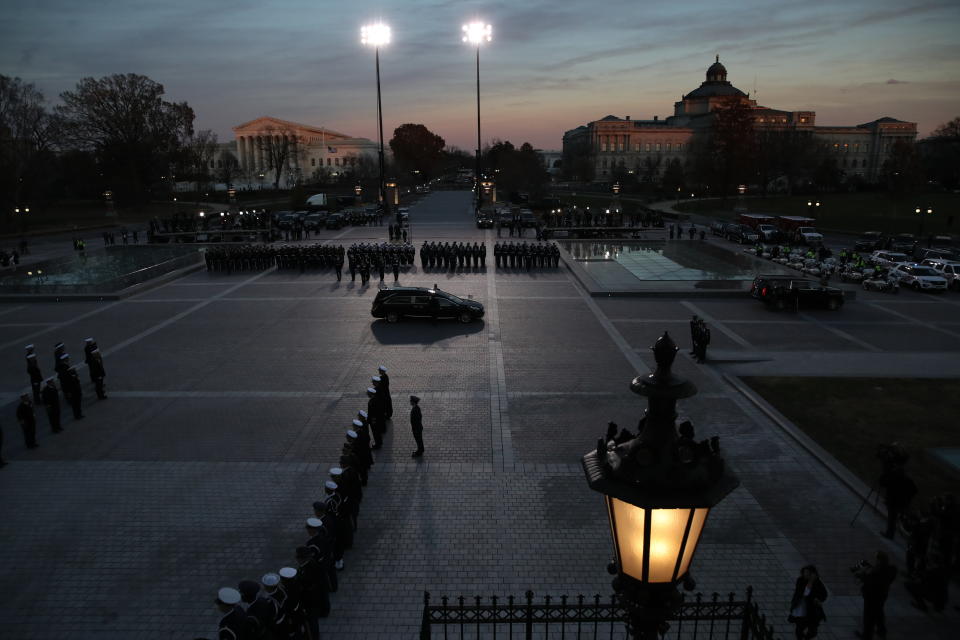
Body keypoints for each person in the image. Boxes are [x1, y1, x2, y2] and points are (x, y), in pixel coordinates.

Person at [854, 551, 897, 640]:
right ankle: (881, 631)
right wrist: (871, 569)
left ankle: (867, 636)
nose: (876, 561)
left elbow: (869, 580)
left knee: (868, 618)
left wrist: (862, 574)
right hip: (882, 596)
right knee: (879, 613)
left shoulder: (876, 573)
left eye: (877, 559)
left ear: (879, 560)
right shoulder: (891, 570)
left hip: (871, 597)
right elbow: (881, 575)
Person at [879, 459, 917, 540]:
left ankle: (889, 534)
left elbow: (881, 482)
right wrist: (908, 498)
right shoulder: (907, 479)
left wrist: (885, 473)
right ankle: (898, 531)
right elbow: (914, 490)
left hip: (892, 502)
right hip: (902, 503)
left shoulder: (892, 478)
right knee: (895, 518)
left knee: (891, 519)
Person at [789, 565, 827, 640]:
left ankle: (806, 638)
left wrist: (819, 599)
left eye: (807, 572)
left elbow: (824, 594)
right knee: (800, 628)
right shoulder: (800, 580)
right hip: (801, 608)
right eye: (804, 572)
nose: (805, 574)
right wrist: (810, 582)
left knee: (813, 631)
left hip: (812, 610)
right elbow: (805, 593)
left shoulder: (817, 582)